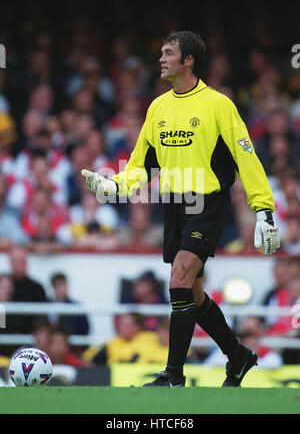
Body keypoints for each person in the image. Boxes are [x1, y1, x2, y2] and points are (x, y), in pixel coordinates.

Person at [81, 30, 280, 388]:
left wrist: (264, 210)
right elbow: (142, 165)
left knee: (179, 278)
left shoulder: (219, 104)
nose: (160, 58)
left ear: (188, 61)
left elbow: (245, 155)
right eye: (161, 52)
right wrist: (114, 185)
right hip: (174, 205)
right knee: (194, 293)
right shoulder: (157, 107)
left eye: (168, 52)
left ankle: (173, 375)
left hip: (207, 201)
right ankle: (238, 356)